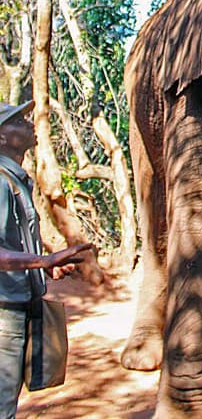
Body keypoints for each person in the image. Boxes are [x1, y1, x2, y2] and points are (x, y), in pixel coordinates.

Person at [0, 99, 93, 419]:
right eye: (18, 122)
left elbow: (14, 242)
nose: (28, 125)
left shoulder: (17, 181)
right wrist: (43, 260)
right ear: (1, 137)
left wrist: (45, 270)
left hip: (20, 304)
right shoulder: (0, 182)